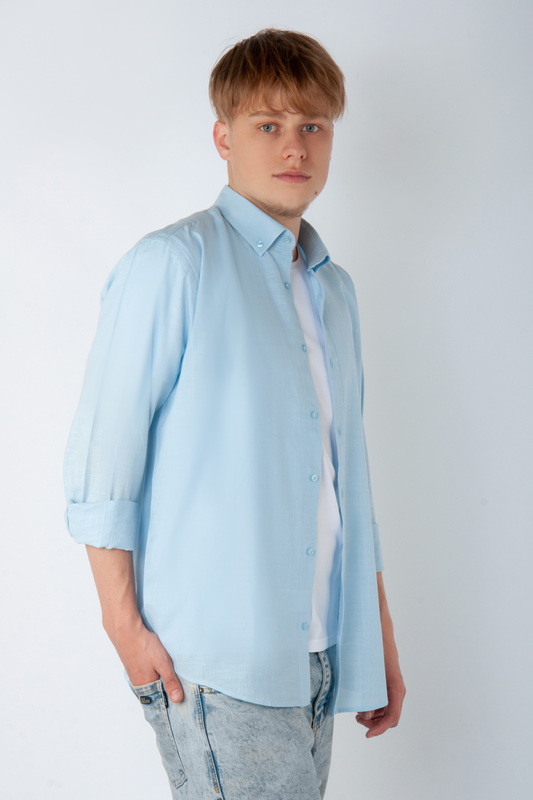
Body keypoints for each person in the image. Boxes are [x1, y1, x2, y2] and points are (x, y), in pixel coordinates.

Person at [64, 28, 405, 800]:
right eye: (267, 124)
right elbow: (103, 462)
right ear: (223, 137)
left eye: (312, 125)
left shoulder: (333, 290)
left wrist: (373, 637)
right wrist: (123, 628)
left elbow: (345, 484)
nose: (294, 146)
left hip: (319, 658)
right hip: (219, 663)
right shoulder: (173, 263)